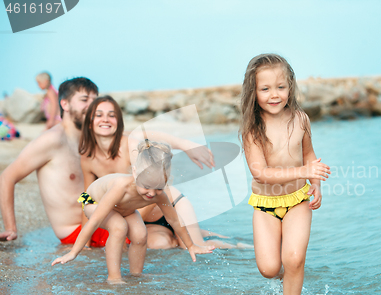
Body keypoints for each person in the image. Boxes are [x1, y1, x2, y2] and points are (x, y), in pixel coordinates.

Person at [79, 96, 248, 249]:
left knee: (196, 246)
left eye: (111, 115)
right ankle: (184, 234)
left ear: (119, 121)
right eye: (99, 115)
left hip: (171, 205)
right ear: (89, 122)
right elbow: (87, 200)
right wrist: (85, 246)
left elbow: (148, 140)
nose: (105, 119)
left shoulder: (130, 145)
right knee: (161, 245)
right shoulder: (87, 158)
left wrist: (185, 145)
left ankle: (239, 247)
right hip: (147, 219)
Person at [52, 141, 214, 283]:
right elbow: (94, 221)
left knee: (140, 233)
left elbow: (175, 221)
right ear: (135, 173)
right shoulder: (121, 187)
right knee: (119, 226)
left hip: (123, 209)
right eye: (146, 186)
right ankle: (114, 277)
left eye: (158, 187)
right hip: (92, 201)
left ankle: (136, 275)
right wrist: (74, 252)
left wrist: (191, 245)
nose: (151, 193)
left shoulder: (159, 194)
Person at [239, 54, 331, 295]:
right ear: (253, 91)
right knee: (269, 269)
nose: (274, 95)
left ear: (290, 87)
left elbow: (309, 154)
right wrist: (304, 172)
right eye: (265, 89)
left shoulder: (301, 119)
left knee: (294, 258)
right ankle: (285, 278)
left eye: (281, 87)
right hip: (266, 204)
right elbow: (261, 173)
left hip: (298, 200)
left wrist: (315, 182)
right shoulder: (252, 129)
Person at [0, 77, 98, 242]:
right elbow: (6, 177)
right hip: (76, 232)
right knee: (151, 236)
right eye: (84, 100)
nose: (92, 106)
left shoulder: (88, 139)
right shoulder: (52, 140)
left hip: (96, 221)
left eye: (95, 101)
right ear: (65, 104)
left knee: (152, 204)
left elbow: (83, 192)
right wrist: (11, 228)